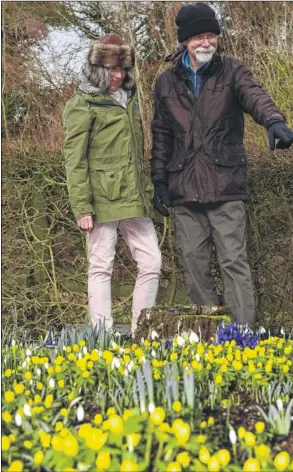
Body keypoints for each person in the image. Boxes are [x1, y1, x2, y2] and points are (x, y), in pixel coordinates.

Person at [150, 3, 293, 328]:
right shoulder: (166, 83)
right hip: (184, 190)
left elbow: (255, 95)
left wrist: (273, 121)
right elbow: (161, 134)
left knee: (234, 263)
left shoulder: (233, 71)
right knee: (194, 266)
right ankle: (210, 340)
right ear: (185, 41)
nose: (206, 42)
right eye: (199, 36)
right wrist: (159, 181)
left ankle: (243, 337)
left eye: (211, 35)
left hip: (226, 186)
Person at [63, 33, 161, 335]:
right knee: (101, 266)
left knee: (152, 262)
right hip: (101, 199)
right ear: (98, 69)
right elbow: (74, 159)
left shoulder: (129, 99)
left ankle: (139, 332)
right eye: (112, 70)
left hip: (133, 195)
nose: (118, 75)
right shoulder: (82, 103)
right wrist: (82, 206)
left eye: (123, 70)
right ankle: (102, 338)